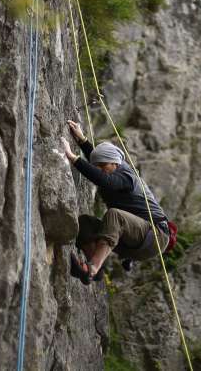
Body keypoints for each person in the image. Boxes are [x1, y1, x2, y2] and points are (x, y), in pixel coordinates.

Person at [61, 120, 170, 285]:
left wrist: (73, 158)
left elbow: (106, 180)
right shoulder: (113, 166)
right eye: (97, 166)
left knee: (114, 216)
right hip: (132, 241)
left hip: (155, 236)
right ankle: (91, 270)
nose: (100, 169)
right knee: (84, 223)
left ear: (115, 164)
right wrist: (82, 140)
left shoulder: (126, 177)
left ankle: (93, 267)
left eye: (103, 165)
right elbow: (100, 162)